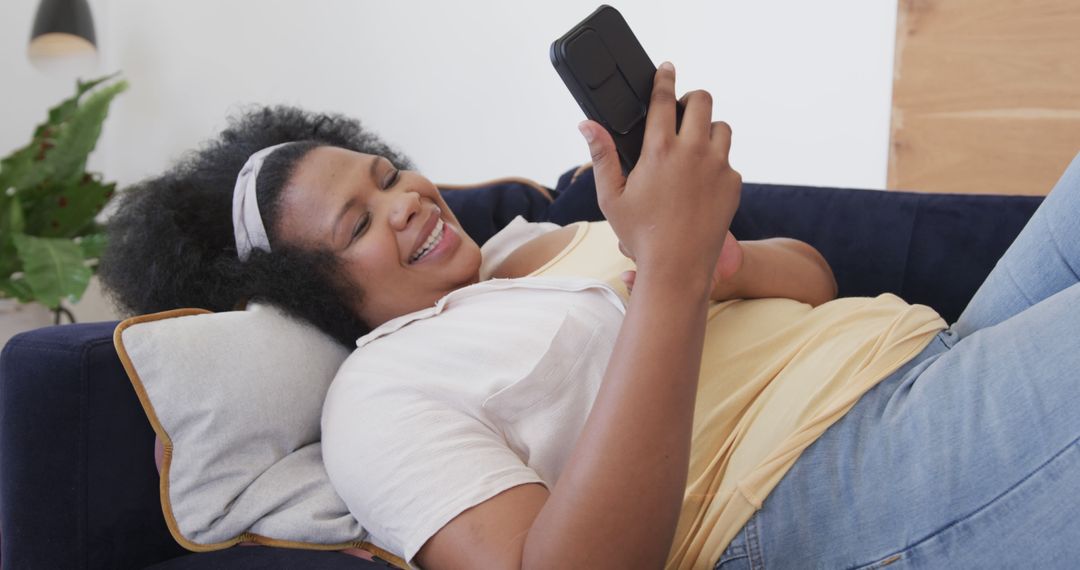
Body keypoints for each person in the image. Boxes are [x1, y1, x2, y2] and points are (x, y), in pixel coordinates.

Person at [98, 61, 1080, 570]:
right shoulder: (381, 396)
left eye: (390, 175)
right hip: (821, 485)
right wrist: (669, 276)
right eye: (358, 221)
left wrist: (710, 257)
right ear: (311, 295)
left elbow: (815, 282)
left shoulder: (542, 238)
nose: (405, 202)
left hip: (929, 357)